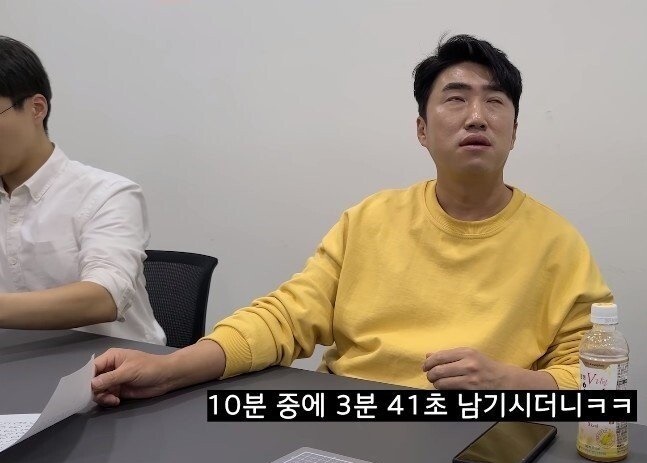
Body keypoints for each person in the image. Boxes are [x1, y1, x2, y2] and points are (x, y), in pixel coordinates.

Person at [91, 34, 612, 406]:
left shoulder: (557, 243)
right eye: (456, 99)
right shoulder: (371, 220)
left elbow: (596, 377)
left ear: (514, 131)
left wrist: (511, 382)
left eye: (495, 102)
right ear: (422, 130)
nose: (477, 116)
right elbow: (284, 318)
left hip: (481, 432)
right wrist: (170, 369)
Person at [0, 36, 165, 345]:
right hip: (17, 365)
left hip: (115, 367)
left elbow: (104, 296)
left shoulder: (109, 195)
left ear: (36, 108)